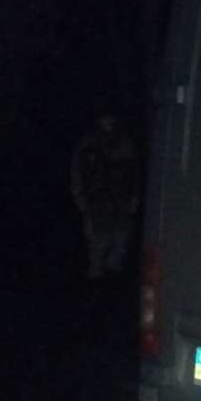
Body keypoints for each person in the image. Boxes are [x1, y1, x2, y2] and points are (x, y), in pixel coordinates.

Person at [70, 113, 140, 280]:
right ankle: (95, 285)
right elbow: (77, 173)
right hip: (97, 204)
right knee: (97, 247)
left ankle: (113, 282)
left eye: (111, 119)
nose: (108, 122)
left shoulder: (124, 144)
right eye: (104, 119)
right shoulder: (89, 144)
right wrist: (81, 201)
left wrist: (134, 199)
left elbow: (134, 173)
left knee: (119, 245)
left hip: (120, 204)